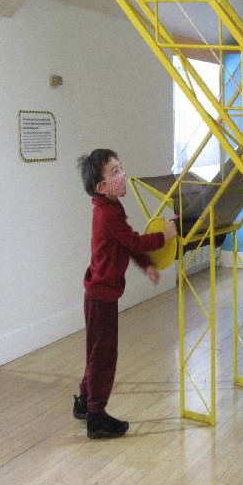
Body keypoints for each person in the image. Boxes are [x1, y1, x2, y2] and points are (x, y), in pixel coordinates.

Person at [74, 149, 177, 439]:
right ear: (102, 187)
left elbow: (126, 246)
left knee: (97, 352)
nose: (123, 176)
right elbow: (134, 240)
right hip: (101, 297)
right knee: (104, 355)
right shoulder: (107, 215)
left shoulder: (112, 208)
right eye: (115, 172)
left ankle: (85, 402)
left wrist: (146, 267)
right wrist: (164, 236)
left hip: (100, 294)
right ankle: (96, 417)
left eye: (121, 167)